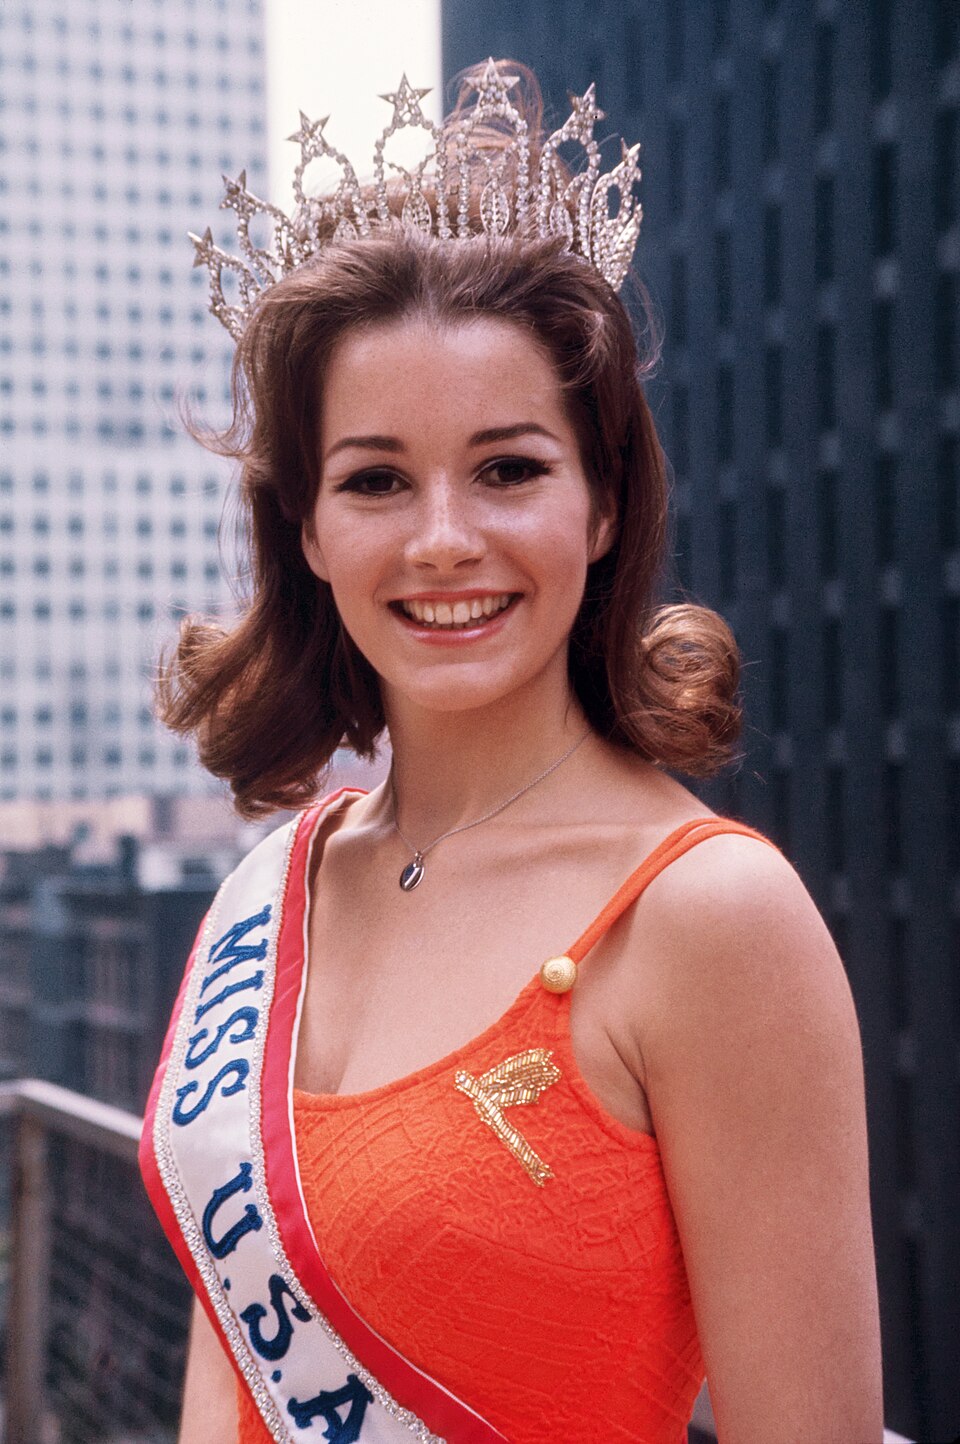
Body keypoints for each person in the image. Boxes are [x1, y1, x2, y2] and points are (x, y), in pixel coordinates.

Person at [140, 61, 883, 1444]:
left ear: (602, 504)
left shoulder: (711, 920)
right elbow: (231, 1355)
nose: (442, 540)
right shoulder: (270, 891)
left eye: (508, 468)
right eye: (375, 479)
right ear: (309, 532)